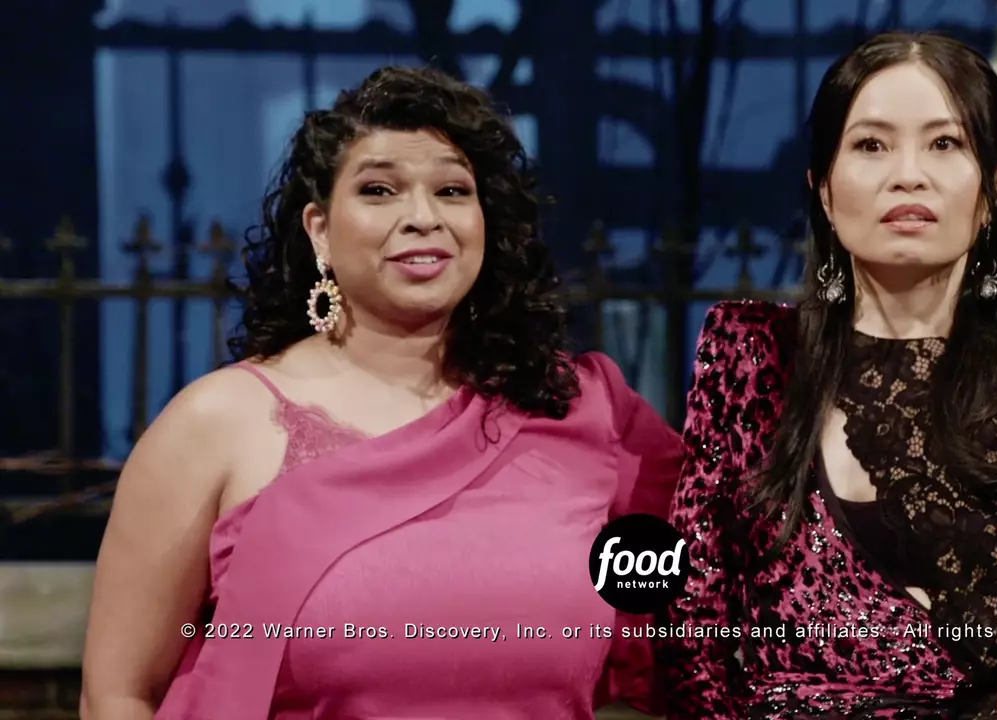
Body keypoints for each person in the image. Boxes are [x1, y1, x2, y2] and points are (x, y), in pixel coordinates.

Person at [79, 66, 682, 720]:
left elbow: (719, 596)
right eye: (379, 190)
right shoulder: (220, 424)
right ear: (320, 230)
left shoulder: (581, 409)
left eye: (452, 190)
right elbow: (119, 694)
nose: (423, 217)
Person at [657, 32, 997, 720]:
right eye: (871, 145)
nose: (908, 175)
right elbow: (690, 626)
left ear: (992, 187)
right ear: (823, 190)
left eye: (944, 143)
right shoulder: (752, 354)